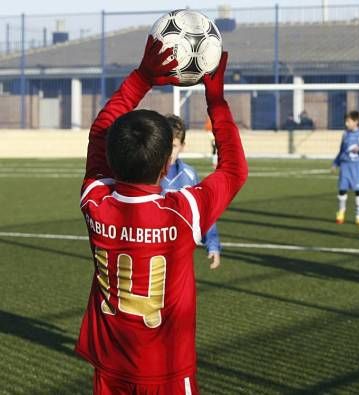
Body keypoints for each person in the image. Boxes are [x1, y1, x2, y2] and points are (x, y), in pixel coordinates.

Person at [76, 37, 247, 394]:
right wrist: (215, 101)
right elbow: (234, 171)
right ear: (167, 163)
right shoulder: (182, 212)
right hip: (166, 370)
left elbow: (99, 132)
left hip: (111, 367)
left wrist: (142, 77)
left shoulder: (96, 201)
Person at [161, 114, 222, 267]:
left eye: (173, 146)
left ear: (182, 146)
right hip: (152, 245)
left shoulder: (189, 175)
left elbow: (204, 210)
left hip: (181, 250)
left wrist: (213, 244)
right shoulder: (148, 172)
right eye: (165, 145)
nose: (169, 151)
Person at [332, 110, 359, 225]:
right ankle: (341, 212)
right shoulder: (345, 134)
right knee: (342, 190)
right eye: (346, 121)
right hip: (345, 166)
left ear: (356, 121)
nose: (346, 124)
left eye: (348, 121)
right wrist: (336, 163)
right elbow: (341, 151)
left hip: (357, 167)